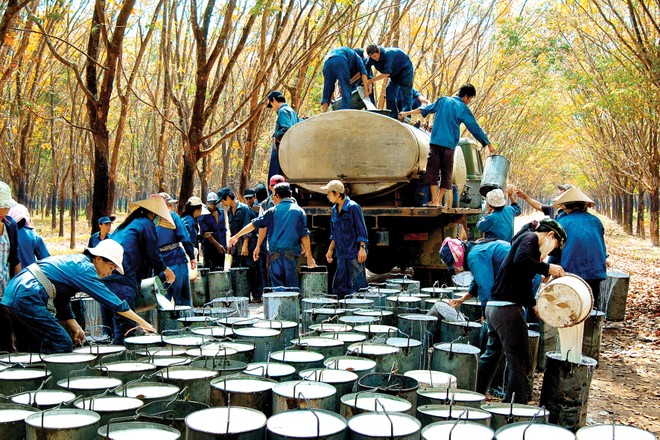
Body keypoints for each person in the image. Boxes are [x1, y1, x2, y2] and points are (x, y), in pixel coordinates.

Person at [0, 239, 155, 354]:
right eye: (111, 267)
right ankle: (58, 384)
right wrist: (143, 323)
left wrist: (75, 326)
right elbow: (114, 303)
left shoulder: (75, 263)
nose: (109, 273)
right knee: (61, 342)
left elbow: (62, 301)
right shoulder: (85, 269)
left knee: (29, 347)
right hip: (28, 295)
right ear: (98, 258)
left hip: (14, 293)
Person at [476, 219, 567, 403]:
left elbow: (522, 280)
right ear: (550, 235)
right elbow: (522, 260)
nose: (550, 252)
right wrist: (547, 267)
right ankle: (516, 407)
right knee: (520, 360)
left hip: (495, 309)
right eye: (554, 246)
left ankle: (474, 394)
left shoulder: (525, 242)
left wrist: (532, 303)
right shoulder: (531, 238)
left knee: (492, 355)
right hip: (507, 311)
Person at [399, 84, 494, 208]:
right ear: (466, 96)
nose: (469, 102)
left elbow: (425, 109)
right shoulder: (463, 108)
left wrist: (406, 113)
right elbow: (474, 127)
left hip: (435, 143)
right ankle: (438, 201)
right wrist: (488, 143)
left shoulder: (443, 100)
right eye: (470, 99)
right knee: (446, 173)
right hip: (449, 146)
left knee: (432, 171)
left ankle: (433, 201)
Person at [101, 197, 176, 344]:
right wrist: (165, 269)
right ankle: (123, 362)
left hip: (106, 278)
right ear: (152, 214)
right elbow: (153, 253)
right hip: (123, 279)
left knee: (108, 331)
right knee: (125, 330)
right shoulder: (146, 224)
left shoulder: (125, 226)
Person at [229, 183, 316, 288]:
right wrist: (309, 257)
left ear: (278, 196)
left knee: (277, 291)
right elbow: (304, 236)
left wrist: (237, 236)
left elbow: (254, 224)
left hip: (275, 257)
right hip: (292, 257)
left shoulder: (271, 212)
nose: (272, 198)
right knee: (292, 289)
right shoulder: (299, 211)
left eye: (273, 195)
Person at [552, 186, 607, 304]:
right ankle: (592, 322)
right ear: (584, 205)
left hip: (571, 270)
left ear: (566, 207)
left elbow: (555, 250)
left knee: (571, 305)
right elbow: (599, 243)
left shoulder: (563, 222)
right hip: (595, 270)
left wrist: (548, 268)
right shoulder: (596, 220)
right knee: (590, 304)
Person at [322, 180, 369, 298]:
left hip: (354, 254)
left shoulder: (353, 207)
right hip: (341, 254)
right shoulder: (334, 210)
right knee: (340, 286)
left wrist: (362, 248)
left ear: (337, 194)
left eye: (329, 193)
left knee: (358, 287)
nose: (327, 196)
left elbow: (361, 229)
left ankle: (361, 310)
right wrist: (330, 249)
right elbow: (335, 232)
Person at [439, 237, 511, 311]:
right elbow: (477, 281)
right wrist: (462, 299)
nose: (455, 268)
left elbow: (485, 286)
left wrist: (485, 312)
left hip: (516, 265)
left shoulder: (474, 256)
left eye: (453, 264)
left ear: (456, 256)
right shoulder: (474, 250)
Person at [155, 193, 196, 306]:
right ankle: (185, 323)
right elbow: (185, 237)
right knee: (183, 301)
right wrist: (192, 256)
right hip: (177, 262)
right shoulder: (173, 217)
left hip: (160, 265)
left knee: (162, 301)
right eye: (170, 205)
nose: (172, 208)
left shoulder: (150, 221)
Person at [365, 44, 414, 120]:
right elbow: (365, 69)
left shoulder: (388, 54)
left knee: (406, 93)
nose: (374, 58)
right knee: (389, 92)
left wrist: (371, 81)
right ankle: (392, 115)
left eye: (375, 56)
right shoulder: (372, 59)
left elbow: (386, 74)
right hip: (394, 75)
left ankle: (406, 117)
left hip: (405, 71)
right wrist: (366, 82)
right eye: (372, 57)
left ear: (378, 51)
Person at [256, 175, 286, 291]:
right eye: (274, 186)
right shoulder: (264, 205)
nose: (276, 188)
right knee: (272, 275)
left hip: (288, 246)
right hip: (271, 246)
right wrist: (258, 246)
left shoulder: (293, 204)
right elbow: (261, 226)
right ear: (270, 187)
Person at [321, 47, 370, 112]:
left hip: (326, 62)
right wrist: (366, 92)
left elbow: (358, 74)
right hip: (340, 60)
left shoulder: (345, 52)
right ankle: (344, 112)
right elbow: (363, 73)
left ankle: (324, 113)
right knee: (346, 89)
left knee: (327, 92)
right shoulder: (357, 57)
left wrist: (331, 93)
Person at [266, 90, 301, 181]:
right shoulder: (291, 111)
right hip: (290, 150)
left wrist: (276, 136)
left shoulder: (282, 111)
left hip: (281, 150)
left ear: (273, 100)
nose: (273, 108)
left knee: (275, 177)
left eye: (271, 104)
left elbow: (287, 128)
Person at [0, 181, 20, 296]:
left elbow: (15, 259)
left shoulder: (10, 225)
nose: (3, 211)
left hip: (5, 291)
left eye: (5, 207)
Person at [198, 192, 227, 271]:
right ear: (207, 203)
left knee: (220, 270)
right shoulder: (203, 215)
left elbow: (223, 230)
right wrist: (217, 245)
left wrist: (224, 245)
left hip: (221, 248)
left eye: (214, 203)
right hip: (209, 249)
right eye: (211, 204)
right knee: (209, 270)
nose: (213, 206)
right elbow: (206, 234)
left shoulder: (221, 212)